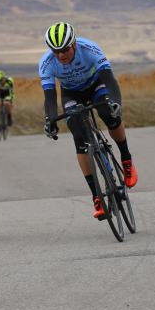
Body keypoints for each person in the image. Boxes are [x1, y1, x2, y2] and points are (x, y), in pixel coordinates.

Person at [39, 22, 138, 219]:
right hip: (71, 94)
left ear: (74, 44)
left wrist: (116, 102)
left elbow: (109, 79)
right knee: (79, 137)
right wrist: (50, 120)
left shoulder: (89, 48)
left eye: (65, 49)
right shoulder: (47, 63)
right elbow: (50, 97)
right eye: (56, 51)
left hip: (96, 86)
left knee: (110, 115)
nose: (61, 55)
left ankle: (126, 158)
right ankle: (97, 196)